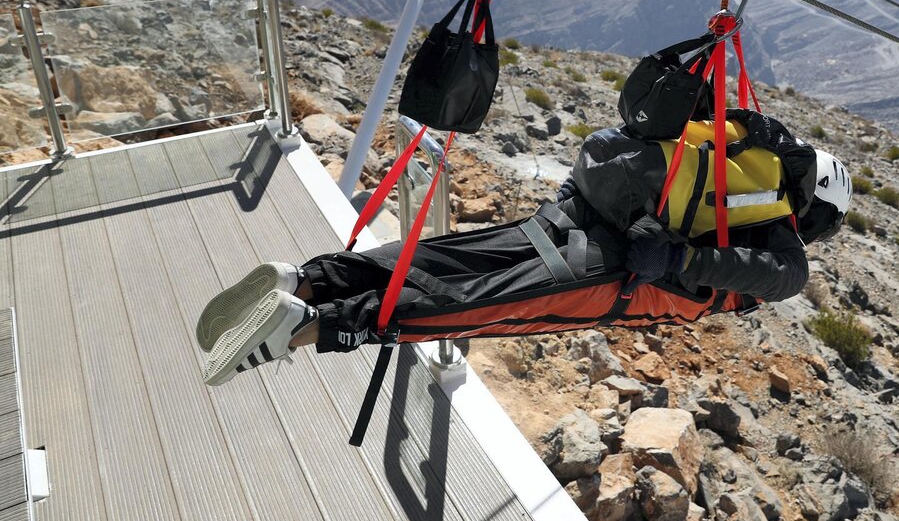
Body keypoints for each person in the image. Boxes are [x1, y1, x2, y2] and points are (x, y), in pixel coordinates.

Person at [195, 113, 852, 387]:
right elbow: (784, 279)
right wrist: (680, 263)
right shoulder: (780, 229)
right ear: (817, 209)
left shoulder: (745, 142)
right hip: (616, 274)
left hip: (577, 209)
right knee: (467, 307)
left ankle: (309, 279)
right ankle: (309, 327)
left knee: (451, 258)